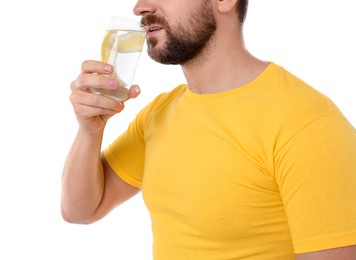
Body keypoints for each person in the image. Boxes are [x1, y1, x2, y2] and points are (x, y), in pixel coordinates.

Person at [61, 0, 356, 259]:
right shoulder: (158, 114)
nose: (140, 7)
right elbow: (81, 210)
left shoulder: (307, 125)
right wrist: (90, 130)